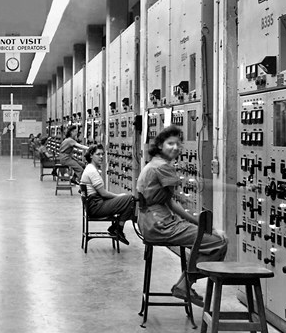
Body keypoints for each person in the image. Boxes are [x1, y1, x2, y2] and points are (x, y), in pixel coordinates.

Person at [136, 125, 227, 306]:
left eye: (179, 144)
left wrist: (175, 196)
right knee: (218, 242)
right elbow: (172, 204)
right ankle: (185, 284)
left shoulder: (153, 163)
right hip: (160, 224)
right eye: (171, 143)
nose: (176, 148)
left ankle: (184, 284)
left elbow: (164, 196)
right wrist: (204, 227)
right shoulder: (163, 167)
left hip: (147, 221)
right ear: (160, 145)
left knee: (204, 241)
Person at [80, 144, 136, 245]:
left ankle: (116, 228)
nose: (101, 156)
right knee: (131, 199)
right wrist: (119, 196)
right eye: (98, 154)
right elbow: (103, 193)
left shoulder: (90, 168)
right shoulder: (92, 171)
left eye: (102, 154)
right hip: (96, 207)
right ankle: (118, 229)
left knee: (128, 201)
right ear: (91, 155)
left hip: (93, 205)